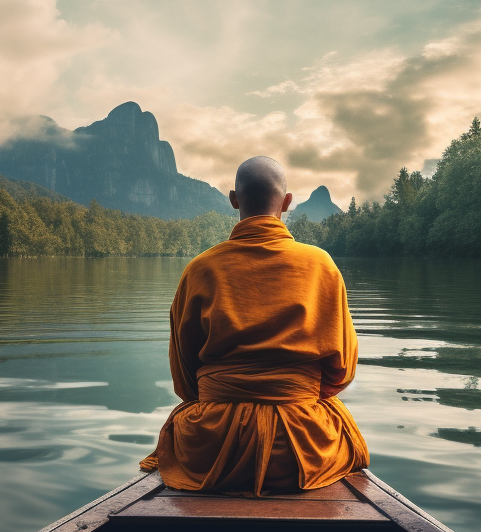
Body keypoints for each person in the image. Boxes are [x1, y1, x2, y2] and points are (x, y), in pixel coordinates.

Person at [139, 156, 369, 495]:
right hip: (298, 449)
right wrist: (291, 394)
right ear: (287, 203)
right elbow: (342, 372)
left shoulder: (200, 269)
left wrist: (228, 395)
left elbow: (185, 380)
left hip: (213, 449)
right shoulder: (321, 265)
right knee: (338, 422)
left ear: (234, 199)